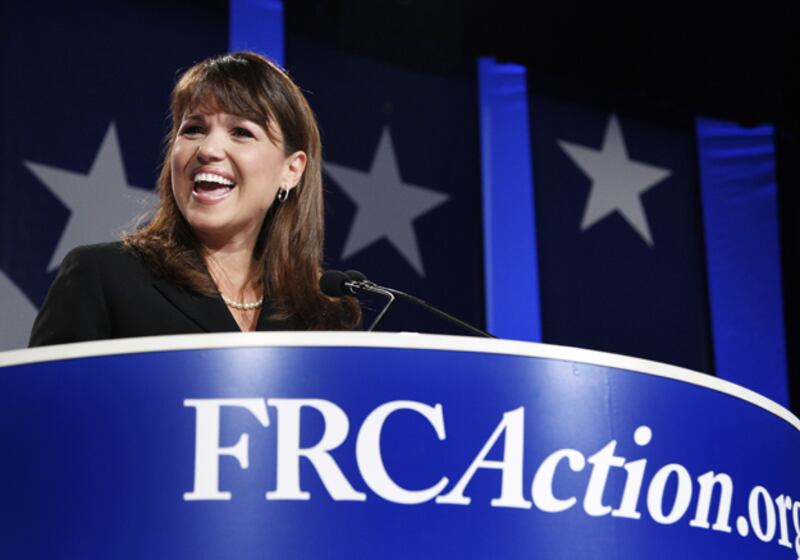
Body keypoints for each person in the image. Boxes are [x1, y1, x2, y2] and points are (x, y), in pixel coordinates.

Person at [29, 51, 360, 346]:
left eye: (241, 132)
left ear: (291, 169)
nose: (208, 149)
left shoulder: (325, 315)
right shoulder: (102, 277)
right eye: (193, 129)